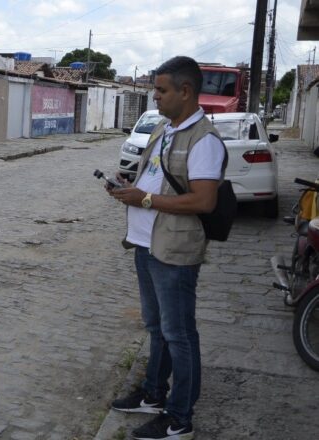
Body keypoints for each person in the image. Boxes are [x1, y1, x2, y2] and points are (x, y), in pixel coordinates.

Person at [107, 56, 226, 440]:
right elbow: (156, 179)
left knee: (179, 334)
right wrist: (129, 184)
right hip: (146, 244)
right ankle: (153, 395)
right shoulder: (164, 129)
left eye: (161, 90)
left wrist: (143, 200)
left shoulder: (203, 139)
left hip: (174, 251)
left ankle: (179, 418)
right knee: (157, 328)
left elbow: (203, 201)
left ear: (186, 91)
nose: (155, 97)